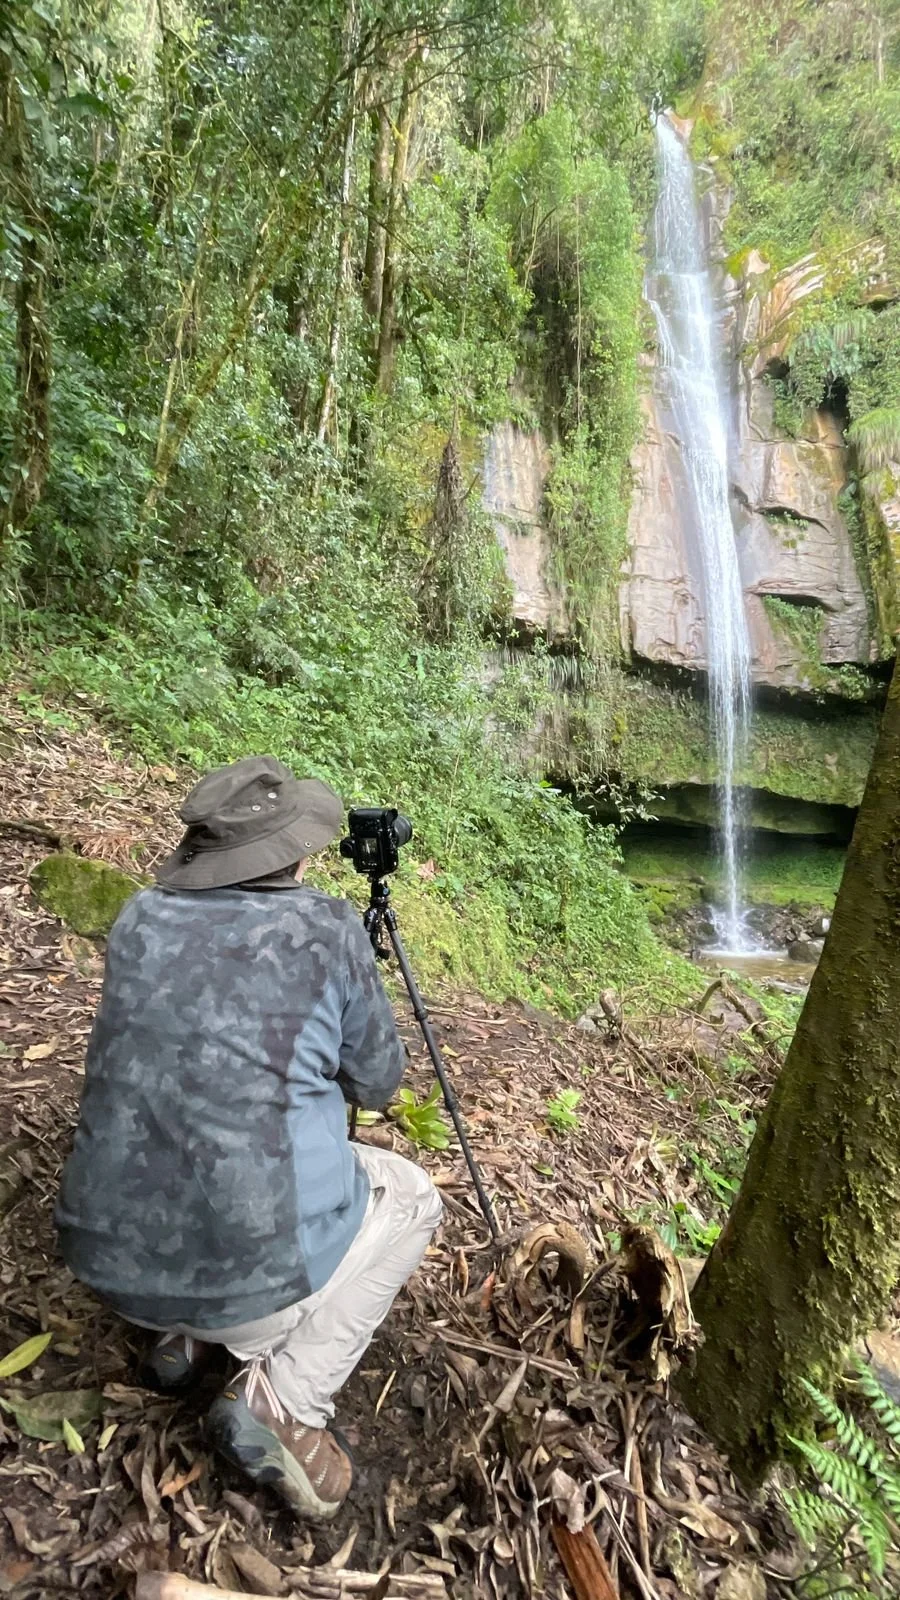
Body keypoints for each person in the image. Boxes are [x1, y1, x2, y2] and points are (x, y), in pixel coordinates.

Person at [55, 756, 443, 1521]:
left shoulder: (139, 915)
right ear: (291, 851)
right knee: (413, 1197)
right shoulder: (326, 930)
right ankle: (283, 1399)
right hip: (246, 1273)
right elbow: (377, 1082)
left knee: (191, 1122)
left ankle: (183, 1339)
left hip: (105, 1260)